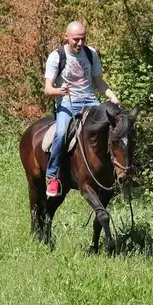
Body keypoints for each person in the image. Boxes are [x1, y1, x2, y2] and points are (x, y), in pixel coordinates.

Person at [42, 21, 120, 197]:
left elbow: (98, 81)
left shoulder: (91, 54)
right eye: (76, 39)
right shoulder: (57, 56)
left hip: (90, 101)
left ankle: (120, 173)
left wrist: (111, 95)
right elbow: (48, 89)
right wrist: (57, 90)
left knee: (116, 128)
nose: (80, 43)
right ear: (66, 37)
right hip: (67, 102)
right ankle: (52, 176)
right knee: (61, 133)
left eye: (83, 39)